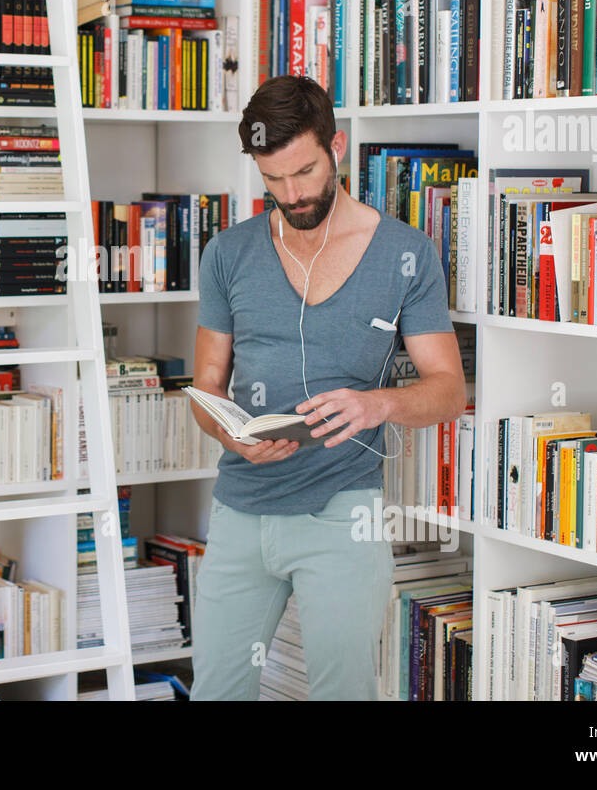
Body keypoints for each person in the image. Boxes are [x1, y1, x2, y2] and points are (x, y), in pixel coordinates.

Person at [188, 74, 467, 700]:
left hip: (343, 512)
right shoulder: (227, 254)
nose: (292, 194)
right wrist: (232, 433)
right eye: (273, 180)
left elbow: (449, 389)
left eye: (305, 172)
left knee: (344, 692)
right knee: (216, 693)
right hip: (240, 510)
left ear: (336, 148)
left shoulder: (408, 254)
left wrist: (377, 404)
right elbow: (208, 382)